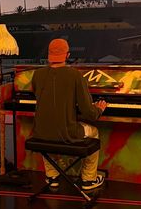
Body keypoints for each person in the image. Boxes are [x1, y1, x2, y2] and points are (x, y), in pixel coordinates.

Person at [32, 38, 107, 190]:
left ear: (49, 56)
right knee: (94, 132)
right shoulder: (75, 75)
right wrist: (99, 109)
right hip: (67, 132)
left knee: (48, 131)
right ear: (67, 55)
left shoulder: (37, 74)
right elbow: (88, 112)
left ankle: (52, 176)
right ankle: (88, 179)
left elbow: (38, 95)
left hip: (40, 131)